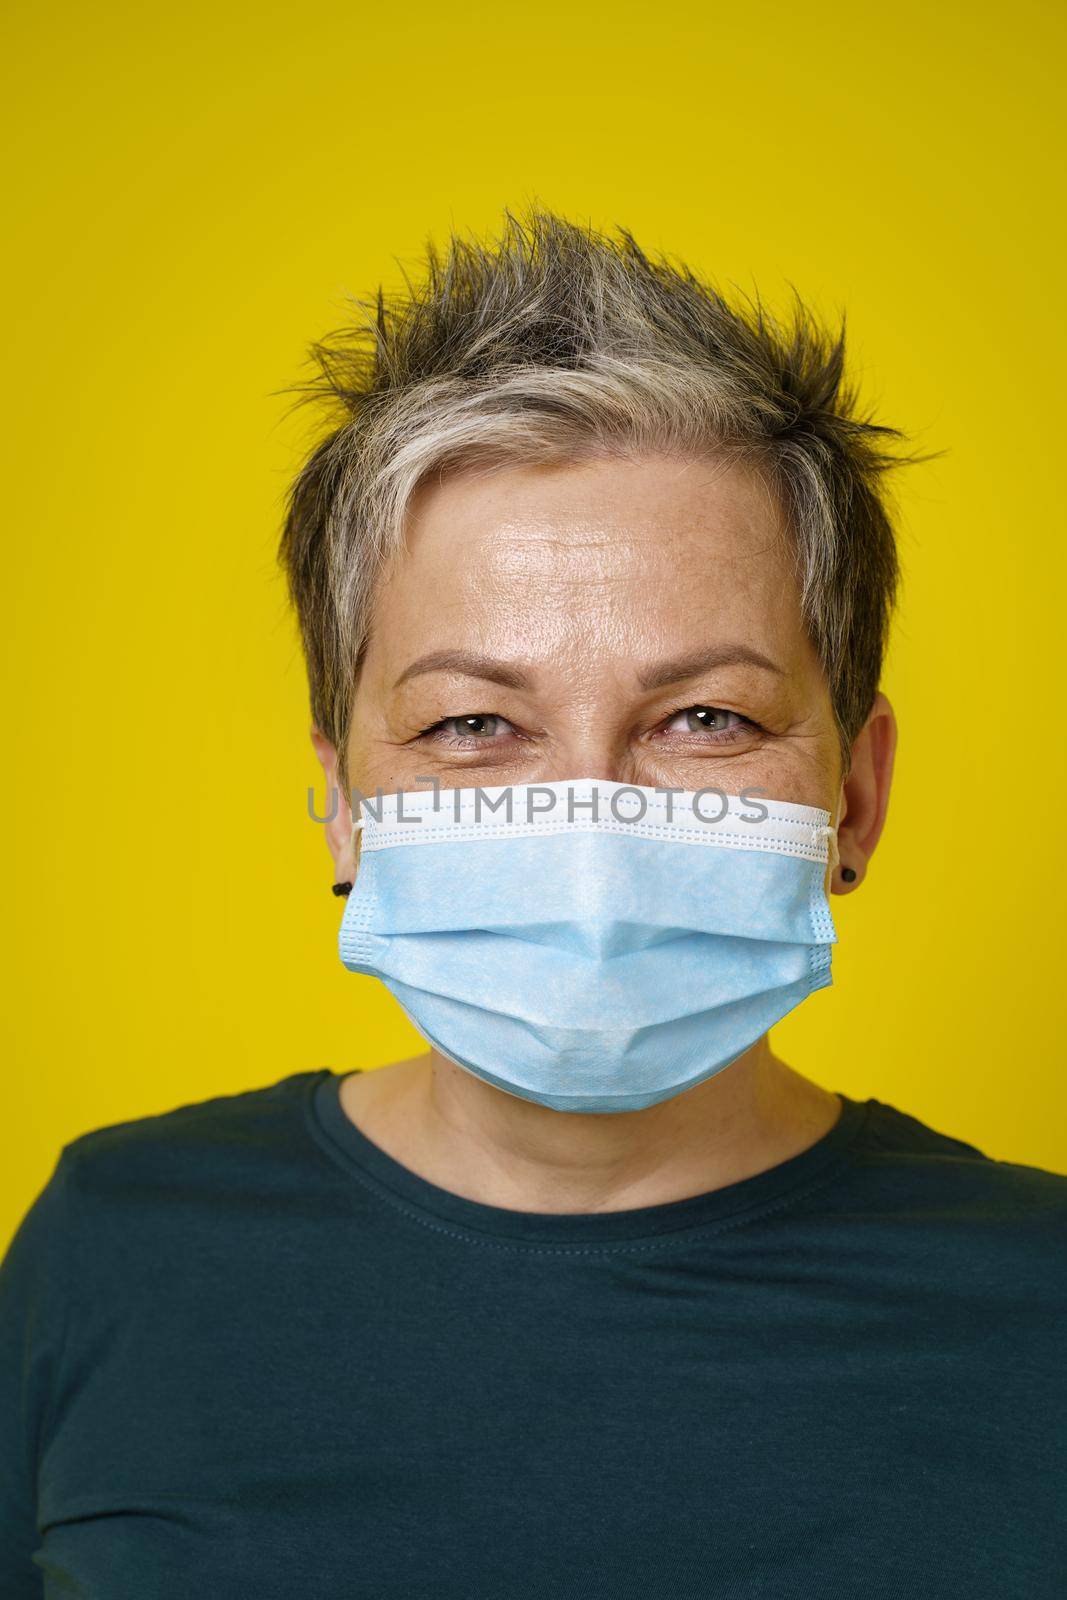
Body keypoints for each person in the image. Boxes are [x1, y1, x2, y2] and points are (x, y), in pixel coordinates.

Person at [2, 207, 1064, 1598]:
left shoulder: (1042, 1312)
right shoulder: (118, 1244)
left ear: (852, 796)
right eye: (468, 726)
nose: (587, 824)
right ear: (343, 804)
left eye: (702, 716)